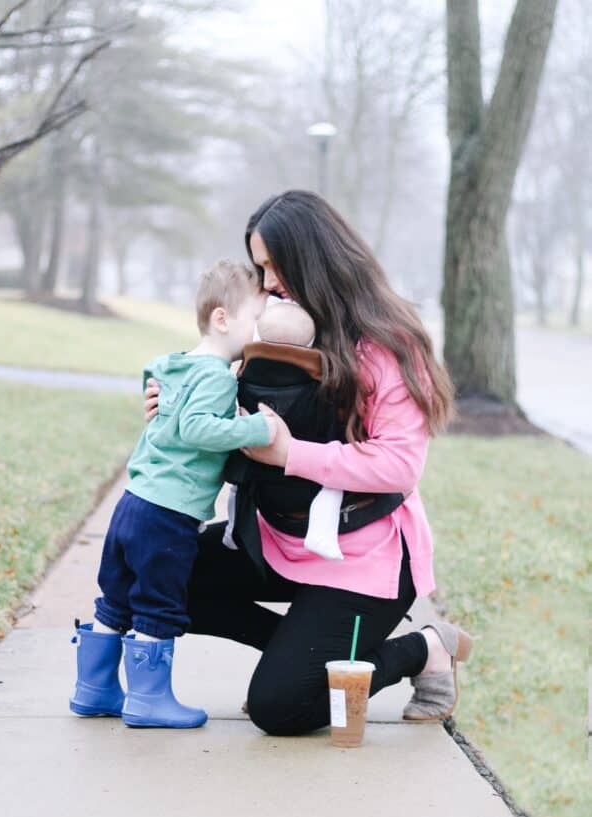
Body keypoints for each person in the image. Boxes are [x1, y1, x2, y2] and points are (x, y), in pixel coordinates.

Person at [144, 191, 474, 736]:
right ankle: (303, 664)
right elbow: (222, 414)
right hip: (275, 538)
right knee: (156, 575)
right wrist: (174, 409)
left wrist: (289, 454)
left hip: (364, 558)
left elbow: (397, 466)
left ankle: (422, 650)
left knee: (282, 709)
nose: (268, 281)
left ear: (313, 260)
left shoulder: (387, 344)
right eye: (260, 266)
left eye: (276, 265)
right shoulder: (271, 335)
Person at [69, 259, 275, 729]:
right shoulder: (218, 376)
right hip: (167, 516)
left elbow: (153, 382)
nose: (259, 332)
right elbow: (197, 427)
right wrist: (257, 426)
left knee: (115, 599)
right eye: (254, 321)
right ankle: (148, 701)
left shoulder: (175, 365)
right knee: (158, 604)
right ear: (222, 319)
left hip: (132, 503)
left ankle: (93, 689)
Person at [222, 295, 350, 561]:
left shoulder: (245, 370)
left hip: (252, 460)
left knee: (238, 485)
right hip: (309, 465)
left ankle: (232, 528)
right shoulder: (319, 374)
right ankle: (322, 531)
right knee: (336, 482)